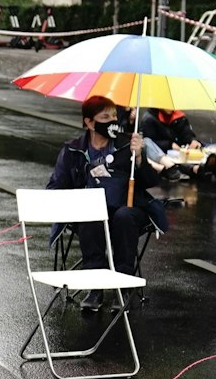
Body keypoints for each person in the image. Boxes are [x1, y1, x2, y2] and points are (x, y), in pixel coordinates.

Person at [45, 96, 168, 310]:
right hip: (90, 213)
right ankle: (95, 288)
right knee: (90, 215)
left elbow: (151, 182)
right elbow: (55, 187)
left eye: (114, 115)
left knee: (123, 217)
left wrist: (139, 158)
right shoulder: (73, 150)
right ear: (90, 123)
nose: (112, 121)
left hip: (128, 211)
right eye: (105, 117)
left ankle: (123, 285)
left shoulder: (128, 145)